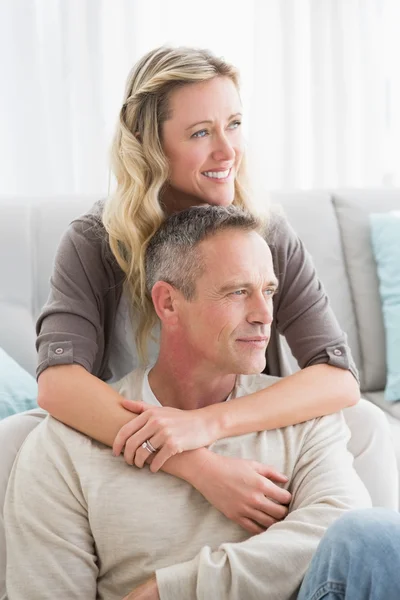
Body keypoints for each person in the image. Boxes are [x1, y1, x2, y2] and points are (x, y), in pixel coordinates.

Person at [0, 44, 398, 594]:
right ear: (151, 145)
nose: (226, 149)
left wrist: (209, 426)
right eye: (200, 132)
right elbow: (60, 385)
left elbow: (337, 375)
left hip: (240, 407)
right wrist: (194, 461)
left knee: (370, 427)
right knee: (15, 443)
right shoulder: (96, 240)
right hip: (130, 418)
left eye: (234, 124)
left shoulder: (267, 231)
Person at [4, 205, 372, 600]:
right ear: (168, 304)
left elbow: (346, 533)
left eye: (268, 291)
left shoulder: (304, 417)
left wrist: (173, 589)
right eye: (238, 292)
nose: (266, 315)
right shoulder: (64, 447)